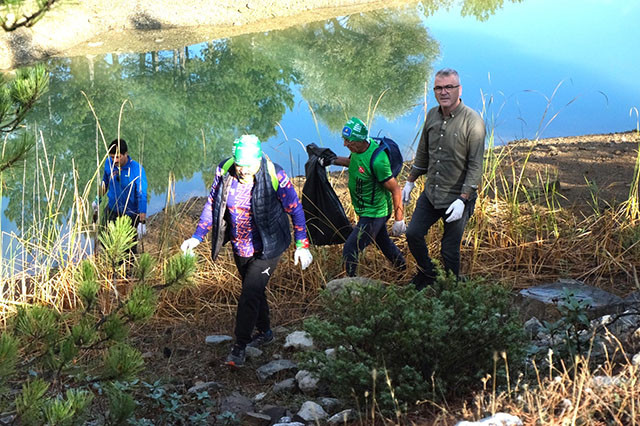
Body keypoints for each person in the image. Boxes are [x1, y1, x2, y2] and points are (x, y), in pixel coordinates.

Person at [180, 134, 313, 367]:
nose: (243, 170)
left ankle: (239, 346)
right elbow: (212, 202)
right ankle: (265, 332)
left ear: (258, 160)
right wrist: (197, 236)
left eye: (249, 166)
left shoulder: (275, 174)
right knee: (253, 290)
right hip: (240, 245)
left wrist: (302, 245)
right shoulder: (225, 169)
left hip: (268, 247)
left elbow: (295, 209)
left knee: (249, 293)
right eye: (240, 165)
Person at [402, 68, 485, 290]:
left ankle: (450, 290)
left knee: (449, 248)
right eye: (438, 88)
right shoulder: (432, 115)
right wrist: (410, 181)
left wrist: (463, 198)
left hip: (457, 197)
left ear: (459, 89)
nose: (443, 92)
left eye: (449, 87)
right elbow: (422, 152)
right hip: (431, 194)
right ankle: (429, 274)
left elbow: (476, 165)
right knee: (413, 234)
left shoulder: (473, 121)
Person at [332, 117, 406, 277]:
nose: (345, 144)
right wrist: (331, 159)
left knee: (350, 248)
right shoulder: (357, 150)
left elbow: (395, 189)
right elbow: (353, 163)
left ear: (359, 140)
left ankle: (350, 286)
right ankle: (403, 269)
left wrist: (399, 220)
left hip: (375, 214)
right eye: (344, 140)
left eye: (348, 141)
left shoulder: (378, 161)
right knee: (383, 241)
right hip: (365, 210)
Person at [94, 138, 148, 253]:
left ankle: (128, 269)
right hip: (112, 210)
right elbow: (105, 182)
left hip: (130, 215)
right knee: (106, 242)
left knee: (128, 249)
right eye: (112, 157)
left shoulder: (137, 169)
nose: (115, 160)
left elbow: (142, 195)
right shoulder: (109, 163)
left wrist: (142, 222)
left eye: (118, 157)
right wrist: (97, 199)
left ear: (126, 154)